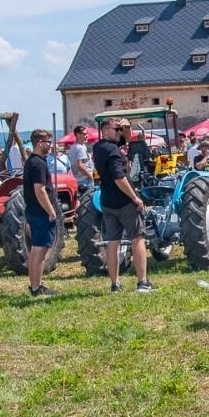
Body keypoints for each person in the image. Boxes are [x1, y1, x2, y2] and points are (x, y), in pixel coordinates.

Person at [93, 118, 152, 293]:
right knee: (138, 238)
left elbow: (125, 138)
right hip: (124, 202)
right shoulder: (113, 151)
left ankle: (115, 284)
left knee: (113, 242)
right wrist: (135, 198)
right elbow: (119, 178)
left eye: (120, 129)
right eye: (116, 129)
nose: (119, 132)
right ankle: (142, 282)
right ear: (105, 131)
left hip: (107, 201)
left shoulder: (98, 148)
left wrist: (127, 127)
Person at [23, 129, 60, 297]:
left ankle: (35, 285)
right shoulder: (38, 163)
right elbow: (40, 190)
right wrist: (51, 211)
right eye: (48, 142)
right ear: (39, 143)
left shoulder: (32, 161)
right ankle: (36, 287)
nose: (50, 146)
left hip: (34, 210)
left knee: (36, 249)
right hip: (40, 212)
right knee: (40, 249)